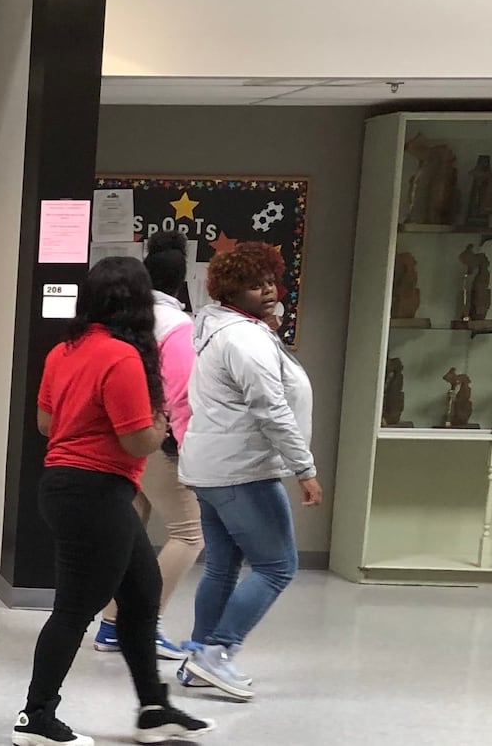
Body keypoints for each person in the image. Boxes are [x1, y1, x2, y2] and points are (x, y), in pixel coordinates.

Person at [13, 257, 214, 746]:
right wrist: (162, 423)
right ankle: (35, 717)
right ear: (138, 302)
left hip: (72, 487)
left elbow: (45, 423)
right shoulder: (122, 357)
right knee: (75, 609)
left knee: (142, 599)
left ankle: (153, 709)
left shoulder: (65, 351)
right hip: (94, 493)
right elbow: (137, 442)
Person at [176, 242, 322, 701]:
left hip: (212, 467)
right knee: (278, 566)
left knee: (222, 566)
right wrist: (305, 468)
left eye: (269, 282)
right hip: (242, 469)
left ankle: (199, 656)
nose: (266, 291)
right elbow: (271, 407)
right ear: (229, 291)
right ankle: (216, 653)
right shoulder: (245, 338)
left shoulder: (225, 329)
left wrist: (270, 330)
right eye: (253, 285)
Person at [93, 232, 204, 662]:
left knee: (131, 533)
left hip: (121, 438)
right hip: (159, 441)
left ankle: (111, 623)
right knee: (189, 533)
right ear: (184, 279)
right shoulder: (177, 326)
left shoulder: (121, 321)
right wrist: (187, 448)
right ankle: (141, 624)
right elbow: (182, 396)